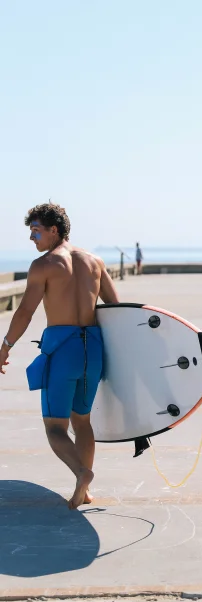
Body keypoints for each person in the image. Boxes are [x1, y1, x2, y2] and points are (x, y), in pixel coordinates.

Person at [0, 202, 120, 509]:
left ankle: (82, 474)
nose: (32, 239)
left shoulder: (44, 265)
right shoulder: (95, 261)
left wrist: (5, 346)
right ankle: (85, 490)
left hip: (63, 350)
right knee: (83, 421)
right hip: (92, 350)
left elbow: (26, 311)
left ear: (54, 230)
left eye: (36, 232)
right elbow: (116, 309)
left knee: (55, 426)